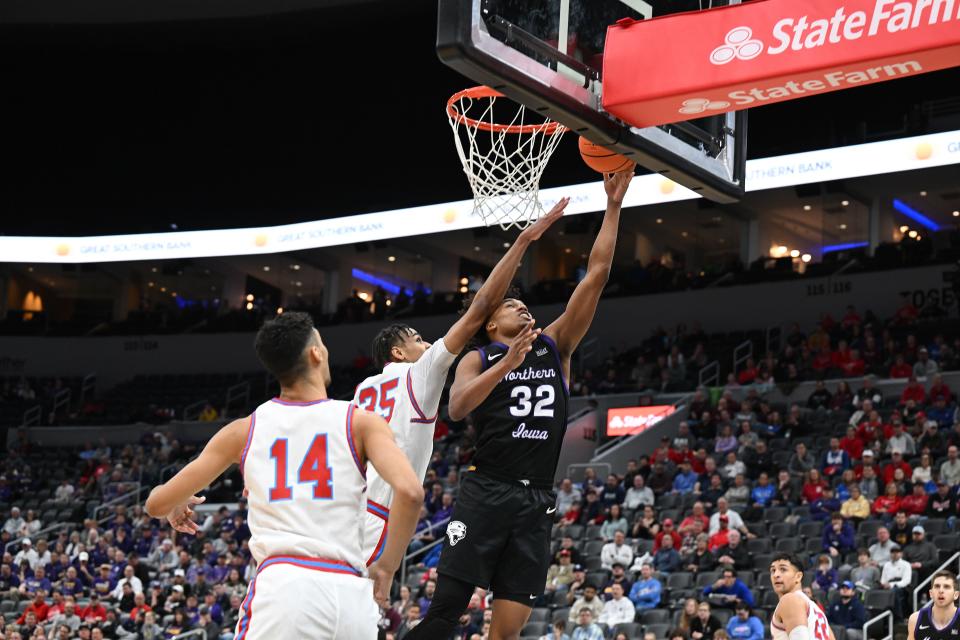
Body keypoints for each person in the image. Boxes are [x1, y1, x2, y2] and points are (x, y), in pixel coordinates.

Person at [408, 170, 635, 640]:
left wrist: (612, 207)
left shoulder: (556, 346)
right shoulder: (477, 356)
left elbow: (596, 275)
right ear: (491, 324)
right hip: (487, 489)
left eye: (525, 305)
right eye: (512, 306)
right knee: (446, 613)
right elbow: (458, 408)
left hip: (536, 500)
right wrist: (505, 366)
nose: (523, 308)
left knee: (507, 633)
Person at [144, 312, 423, 639]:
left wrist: (177, 498)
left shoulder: (244, 430)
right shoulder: (361, 422)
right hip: (352, 597)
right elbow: (411, 493)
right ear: (316, 353)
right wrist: (388, 567)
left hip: (285, 592)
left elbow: (154, 504)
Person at [356, 204, 566, 565]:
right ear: (399, 352)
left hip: (353, 507)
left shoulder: (363, 390)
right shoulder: (420, 373)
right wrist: (523, 240)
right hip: (383, 511)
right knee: (363, 610)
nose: (426, 344)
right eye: (417, 339)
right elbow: (479, 308)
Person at [768, 553, 834, 640]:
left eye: (783, 569)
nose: (776, 575)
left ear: (798, 576)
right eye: (773, 570)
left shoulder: (790, 600)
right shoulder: (816, 609)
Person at [907, 570, 960, 640]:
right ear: (931, 594)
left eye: (946, 587)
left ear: (956, 595)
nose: (941, 591)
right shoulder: (915, 619)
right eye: (937, 586)